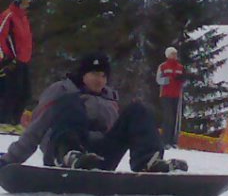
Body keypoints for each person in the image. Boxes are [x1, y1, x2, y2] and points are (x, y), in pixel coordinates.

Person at [0, 52, 188, 173]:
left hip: (97, 158)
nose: (100, 80)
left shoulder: (110, 99)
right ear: (83, 74)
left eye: (103, 75)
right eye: (94, 74)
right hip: (61, 153)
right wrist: (9, 161)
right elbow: (36, 127)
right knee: (72, 102)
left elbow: (116, 132)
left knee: (138, 110)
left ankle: (148, 162)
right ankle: (69, 153)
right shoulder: (62, 91)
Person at [0, 0, 33, 132]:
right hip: (12, 61)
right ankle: (4, 121)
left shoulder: (23, 17)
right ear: (17, 2)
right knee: (11, 91)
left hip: (24, 60)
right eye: (25, 2)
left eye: (28, 2)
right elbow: (1, 37)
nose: (27, 5)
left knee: (25, 92)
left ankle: (15, 121)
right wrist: (6, 59)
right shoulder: (8, 16)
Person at [156, 46, 185, 149]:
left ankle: (173, 141)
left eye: (175, 54)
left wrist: (182, 79)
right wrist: (169, 80)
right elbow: (158, 80)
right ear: (168, 55)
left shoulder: (180, 67)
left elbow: (184, 80)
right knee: (168, 117)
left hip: (177, 95)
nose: (175, 55)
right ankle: (165, 140)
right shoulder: (163, 66)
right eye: (173, 54)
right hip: (166, 95)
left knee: (175, 119)